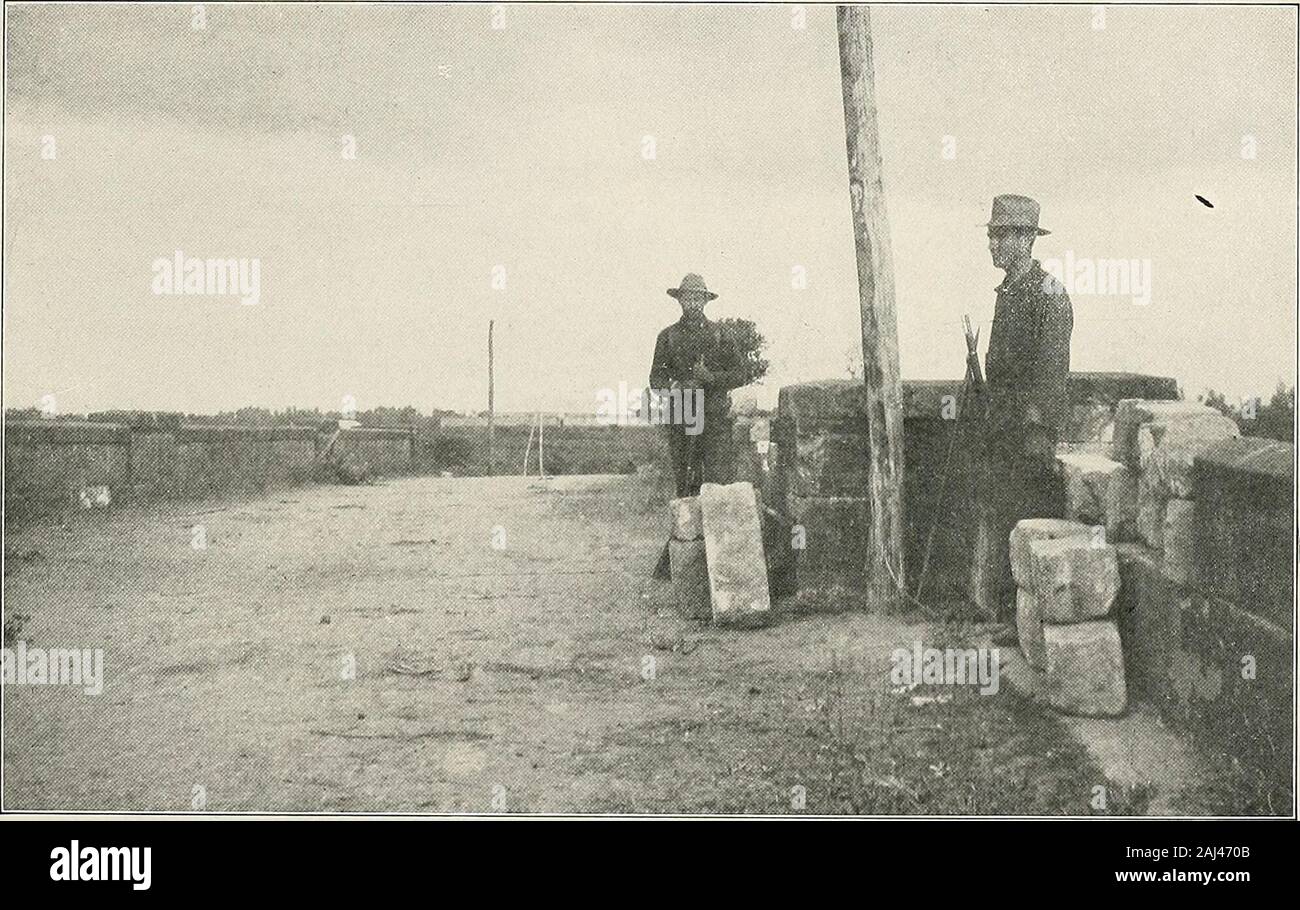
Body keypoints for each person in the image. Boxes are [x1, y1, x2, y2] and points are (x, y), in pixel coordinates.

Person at [970, 195, 1073, 639]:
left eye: (1002, 235)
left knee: (1030, 520)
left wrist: (1036, 431)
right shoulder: (1009, 292)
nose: (993, 243)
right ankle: (1016, 619)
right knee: (1009, 519)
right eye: (992, 234)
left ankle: (1034, 625)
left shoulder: (1048, 294)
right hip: (1002, 429)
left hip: (1027, 434)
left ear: (1028, 239)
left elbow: (1051, 372)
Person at [648, 273, 748, 498]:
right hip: (681, 418)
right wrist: (677, 387)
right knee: (685, 484)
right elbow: (655, 379)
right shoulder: (667, 336)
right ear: (679, 300)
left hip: (715, 418)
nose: (692, 304)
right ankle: (686, 533)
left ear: (705, 301)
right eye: (687, 299)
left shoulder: (721, 334)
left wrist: (711, 378)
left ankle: (714, 533)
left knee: (717, 483)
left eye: (697, 299)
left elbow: (741, 373)